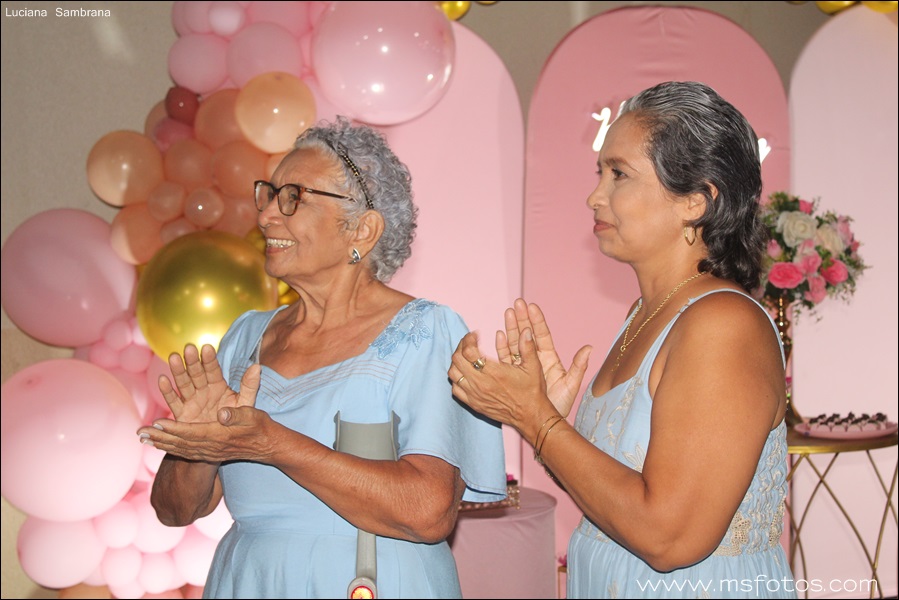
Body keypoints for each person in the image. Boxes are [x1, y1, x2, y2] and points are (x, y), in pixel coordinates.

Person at [449, 81, 796, 599]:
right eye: (600, 173)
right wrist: (545, 421)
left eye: (619, 174)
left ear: (695, 201)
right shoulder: (646, 312)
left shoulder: (723, 323)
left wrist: (537, 421)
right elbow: (622, 502)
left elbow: (670, 538)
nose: (594, 196)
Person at [137, 116, 507, 599]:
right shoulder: (245, 336)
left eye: (293, 197)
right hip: (250, 583)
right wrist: (195, 448)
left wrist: (274, 444)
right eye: (269, 194)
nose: (267, 216)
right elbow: (174, 510)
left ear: (363, 230)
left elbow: (428, 511)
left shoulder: (425, 332)